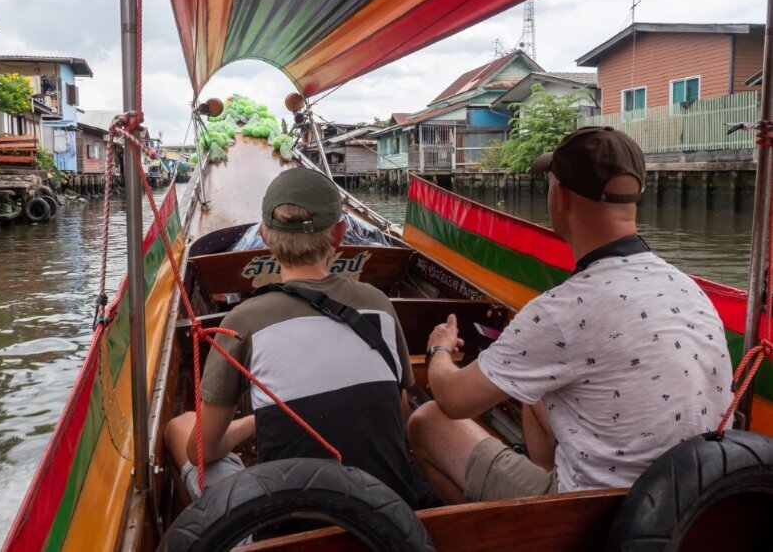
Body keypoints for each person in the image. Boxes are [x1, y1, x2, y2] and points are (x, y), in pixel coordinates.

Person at [408, 126, 733, 504]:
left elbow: (452, 400)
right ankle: (540, 502)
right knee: (534, 395)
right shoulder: (688, 288)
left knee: (427, 422)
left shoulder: (562, 311)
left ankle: (536, 524)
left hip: (603, 515)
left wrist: (439, 350)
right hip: (692, 499)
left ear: (560, 196)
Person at [165, 167, 421, 506]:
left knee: (181, 428)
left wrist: (253, 423)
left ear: (265, 236)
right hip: (388, 515)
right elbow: (398, 417)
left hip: (286, 529)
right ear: (339, 234)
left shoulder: (243, 320)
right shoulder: (379, 304)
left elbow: (203, 452)